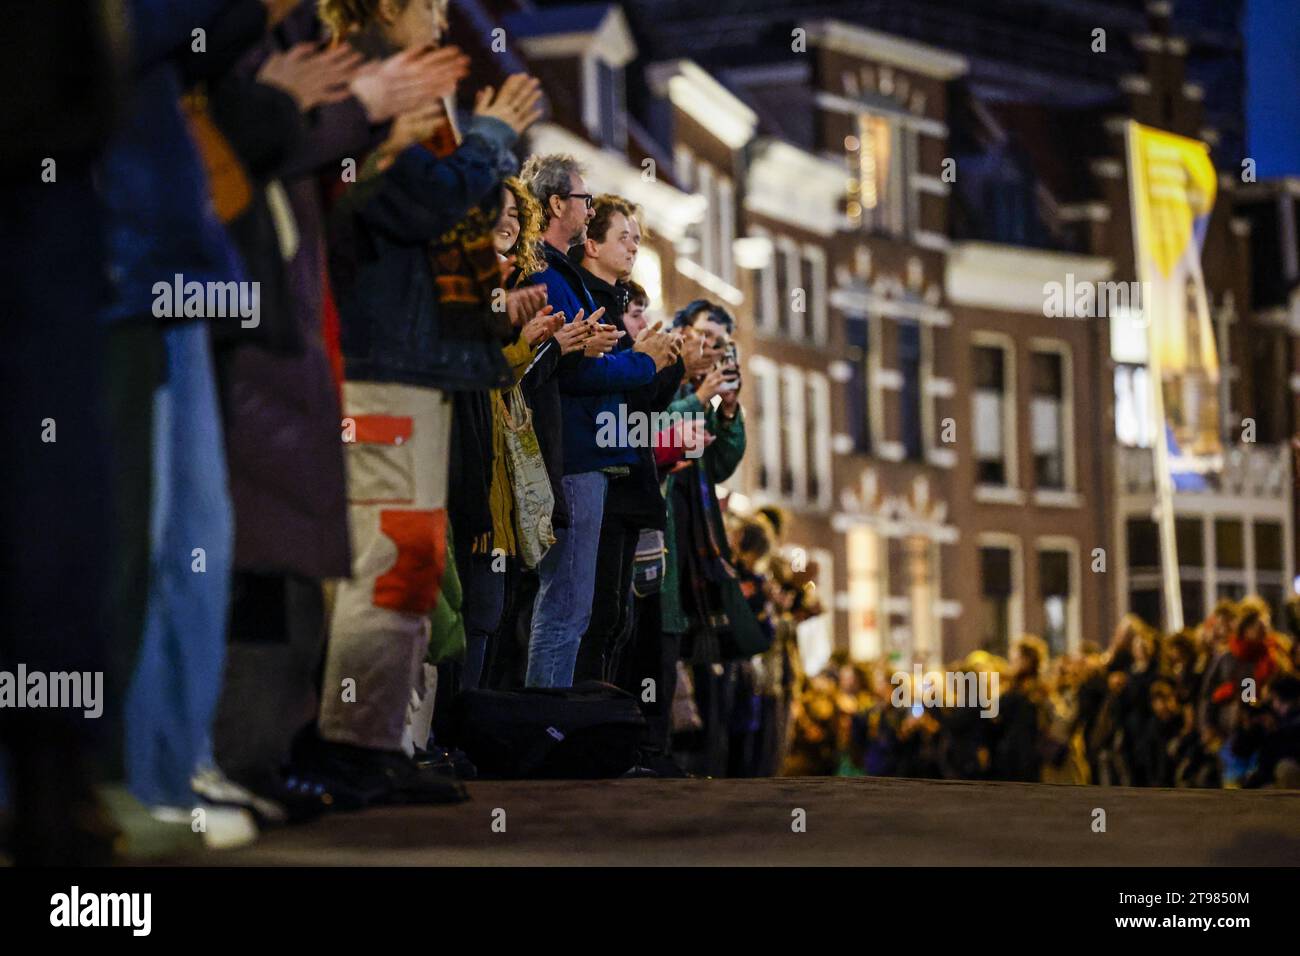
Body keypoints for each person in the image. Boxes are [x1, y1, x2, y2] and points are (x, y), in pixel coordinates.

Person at [305, 0, 542, 805]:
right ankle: (355, 744)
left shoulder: (397, 90)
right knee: (390, 552)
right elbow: (418, 203)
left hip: (415, 360)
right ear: (383, 8)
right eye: (430, 4)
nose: (443, 18)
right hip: (385, 363)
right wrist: (491, 136)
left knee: (407, 557)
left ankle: (377, 740)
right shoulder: (369, 86)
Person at [518, 155, 675, 688]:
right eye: (584, 199)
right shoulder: (544, 271)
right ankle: (547, 726)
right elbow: (573, 371)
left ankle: (554, 721)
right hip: (574, 453)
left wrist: (613, 354)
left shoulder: (561, 273)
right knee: (566, 605)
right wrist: (641, 360)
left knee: (582, 608)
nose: (589, 206)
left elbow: (580, 359)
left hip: (585, 452)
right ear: (558, 204)